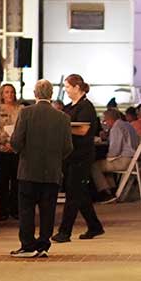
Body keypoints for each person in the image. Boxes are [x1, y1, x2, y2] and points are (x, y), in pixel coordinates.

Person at [9, 79, 73, 258]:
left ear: (35, 93)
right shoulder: (63, 118)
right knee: (48, 210)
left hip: (28, 170)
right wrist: (55, 159)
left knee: (27, 209)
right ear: (51, 94)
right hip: (52, 172)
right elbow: (68, 147)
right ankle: (44, 244)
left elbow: (16, 141)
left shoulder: (26, 113)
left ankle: (27, 245)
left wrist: (19, 151)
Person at [54, 74, 104, 242]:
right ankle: (95, 226)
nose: (66, 90)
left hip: (81, 156)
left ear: (77, 88)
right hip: (70, 156)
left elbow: (83, 130)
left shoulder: (86, 107)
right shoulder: (69, 107)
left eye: (68, 87)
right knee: (79, 193)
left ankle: (65, 232)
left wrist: (64, 128)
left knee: (73, 194)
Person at [92, 107, 139, 203]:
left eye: (105, 121)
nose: (105, 123)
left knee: (94, 165)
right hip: (132, 159)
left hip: (124, 161)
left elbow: (115, 150)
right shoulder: (127, 125)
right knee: (105, 164)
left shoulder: (116, 128)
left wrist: (106, 155)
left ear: (110, 120)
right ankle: (112, 189)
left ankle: (104, 192)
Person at [0, 83, 21, 222]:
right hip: (2, 149)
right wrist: (4, 142)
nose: (9, 95)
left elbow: (22, 128)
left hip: (16, 150)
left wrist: (14, 144)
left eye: (12, 92)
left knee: (16, 181)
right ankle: (3, 211)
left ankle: (15, 210)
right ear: (2, 94)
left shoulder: (21, 109)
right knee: (3, 182)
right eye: (7, 92)